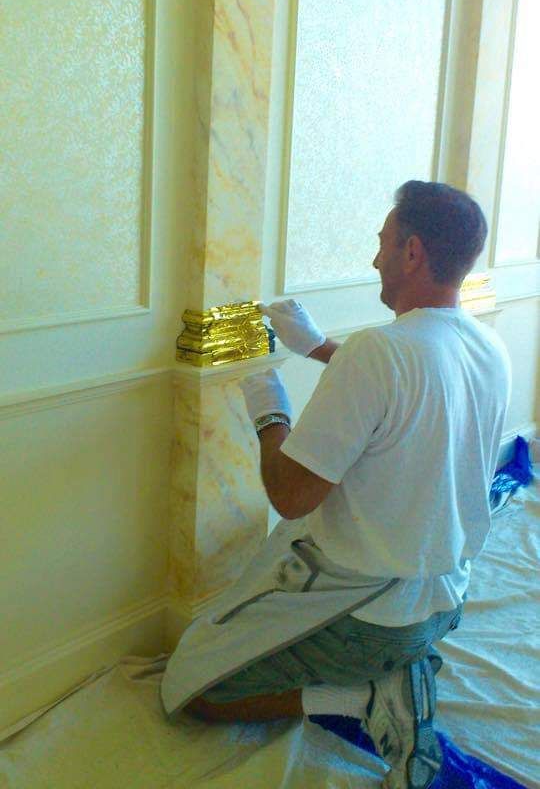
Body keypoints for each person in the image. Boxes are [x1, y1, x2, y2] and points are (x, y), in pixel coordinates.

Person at [168, 181, 512, 789]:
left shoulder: (379, 352)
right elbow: (410, 391)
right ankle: (395, 670)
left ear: (411, 252)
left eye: (381, 245)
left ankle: (364, 698)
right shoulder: (488, 347)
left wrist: (266, 403)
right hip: (444, 600)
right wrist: (317, 347)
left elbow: (290, 495)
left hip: (370, 619)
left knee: (192, 687)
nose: (373, 259)